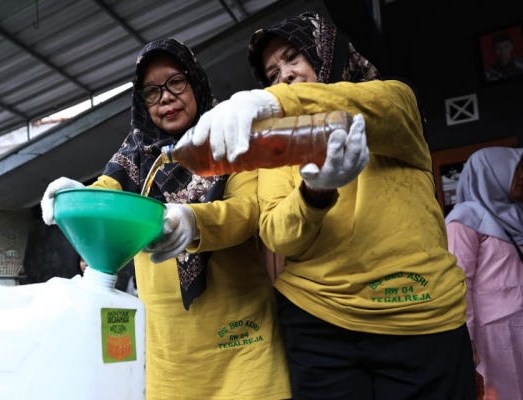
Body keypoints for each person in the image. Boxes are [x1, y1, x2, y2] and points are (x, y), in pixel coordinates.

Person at [190, 12, 475, 399]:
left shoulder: (392, 102)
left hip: (420, 315)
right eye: (272, 74)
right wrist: (315, 192)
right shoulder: (280, 150)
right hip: (318, 320)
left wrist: (273, 101)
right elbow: (278, 235)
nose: (285, 75)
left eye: (293, 57)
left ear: (327, 51)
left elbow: (367, 109)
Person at [41, 39, 290, 399]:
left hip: (242, 340)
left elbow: (247, 210)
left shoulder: (232, 139)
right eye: (152, 92)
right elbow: (107, 194)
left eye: (176, 82)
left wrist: (193, 220)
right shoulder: (134, 157)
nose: (166, 98)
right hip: (170, 352)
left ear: (196, 81)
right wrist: (76, 195)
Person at [445, 147, 523, 398]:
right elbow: (457, 284)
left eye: (522, 168)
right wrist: (464, 340)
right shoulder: (464, 219)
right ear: (492, 172)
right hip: (498, 341)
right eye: (516, 169)